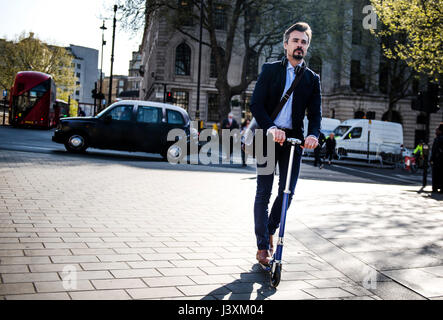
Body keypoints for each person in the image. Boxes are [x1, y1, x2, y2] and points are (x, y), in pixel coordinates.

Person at [250, 22, 321, 266]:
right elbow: (256, 104)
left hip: (293, 140)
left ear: (306, 47)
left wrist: (313, 135)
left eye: (304, 42)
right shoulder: (270, 70)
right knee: (263, 192)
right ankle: (262, 248)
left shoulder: (312, 79)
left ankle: (270, 228)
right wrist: (270, 127)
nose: (299, 45)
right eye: (295, 41)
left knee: (287, 192)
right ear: (286, 44)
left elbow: (315, 114)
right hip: (267, 135)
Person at [430, 124, 443, 193]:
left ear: (440, 131)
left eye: (437, 129)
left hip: (438, 160)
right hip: (440, 159)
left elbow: (435, 150)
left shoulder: (438, 139)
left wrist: (432, 159)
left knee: (436, 174)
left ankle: (435, 188)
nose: (435, 131)